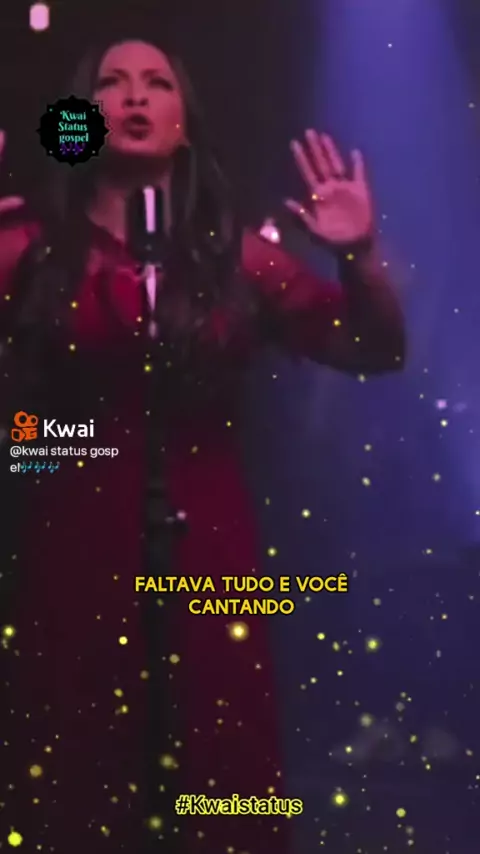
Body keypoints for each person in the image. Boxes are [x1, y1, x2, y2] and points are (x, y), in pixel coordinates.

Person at [0, 36, 405, 854]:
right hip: (71, 548)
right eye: (112, 83)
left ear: (184, 122)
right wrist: (63, 446)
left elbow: (374, 348)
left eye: (156, 83)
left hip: (212, 555)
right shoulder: (26, 248)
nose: (134, 96)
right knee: (76, 779)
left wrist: (359, 255)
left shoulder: (238, 259)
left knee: (219, 774)